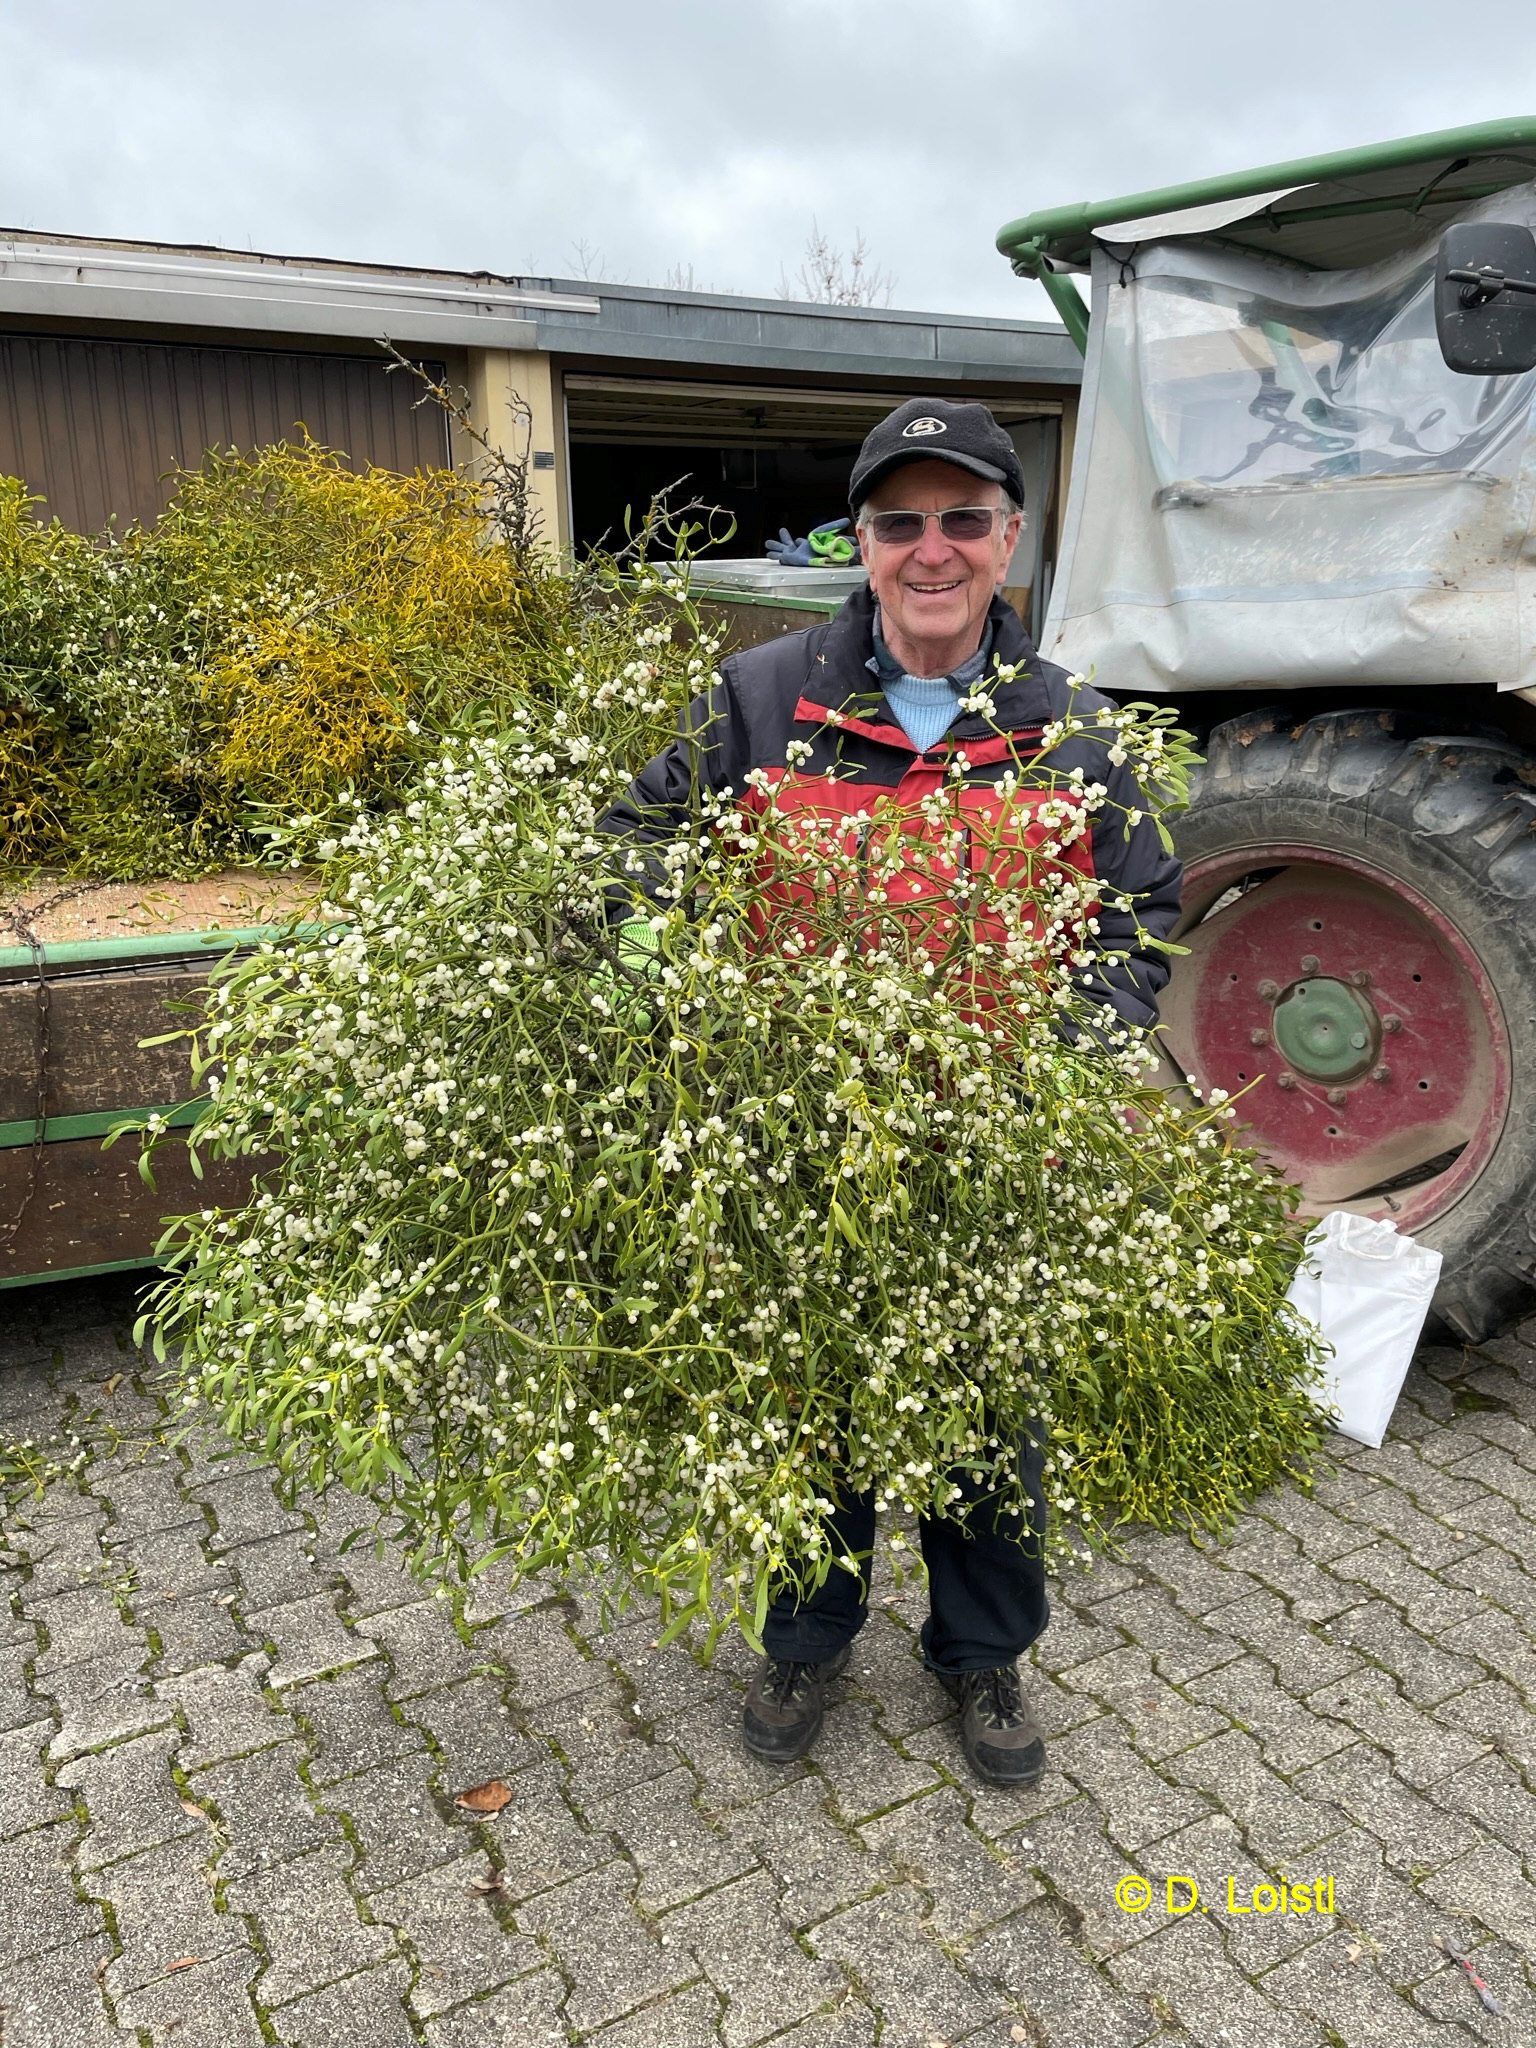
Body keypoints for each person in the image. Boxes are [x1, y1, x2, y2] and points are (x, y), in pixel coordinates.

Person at [599, 396, 1182, 1785]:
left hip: (997, 1150)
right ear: (860, 543)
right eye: (900, 521)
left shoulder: (1079, 731)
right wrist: (659, 981)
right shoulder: (764, 697)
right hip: (807, 1143)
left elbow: (1140, 917)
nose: (934, 549)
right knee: (814, 1400)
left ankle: (983, 1661)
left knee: (991, 1409)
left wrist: (1068, 1059)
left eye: (963, 519)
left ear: (1011, 539)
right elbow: (633, 850)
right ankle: (807, 1635)